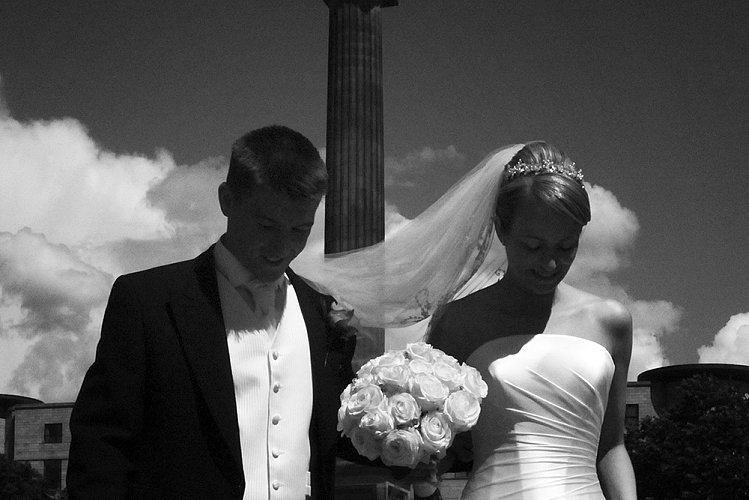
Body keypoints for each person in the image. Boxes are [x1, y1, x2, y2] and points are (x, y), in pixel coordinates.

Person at [294, 142, 637, 499]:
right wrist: (415, 453)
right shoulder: (459, 321)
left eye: (566, 247)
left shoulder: (611, 322)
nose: (550, 264)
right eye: (533, 246)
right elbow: (443, 450)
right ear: (501, 229)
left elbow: (612, 447)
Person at [67, 125, 357, 500]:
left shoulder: (322, 314)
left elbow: (340, 436)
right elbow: (100, 450)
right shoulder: (146, 302)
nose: (283, 247)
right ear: (227, 200)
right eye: (266, 225)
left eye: (301, 229)